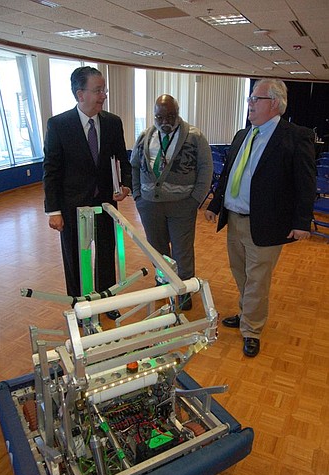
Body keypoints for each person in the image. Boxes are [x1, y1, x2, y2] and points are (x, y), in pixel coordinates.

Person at [205, 78, 316, 357]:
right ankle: (247, 314)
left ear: (275, 104)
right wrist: (216, 206)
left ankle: (252, 329)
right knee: (240, 273)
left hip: (267, 222)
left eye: (256, 99)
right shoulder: (243, 134)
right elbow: (229, 173)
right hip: (235, 219)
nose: (250, 103)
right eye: (250, 99)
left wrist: (301, 222)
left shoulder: (295, 136)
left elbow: (306, 183)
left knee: (257, 279)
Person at [43, 66, 132, 320]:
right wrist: (54, 211)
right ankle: (80, 307)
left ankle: (106, 302)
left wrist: (125, 185)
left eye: (104, 89)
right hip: (71, 208)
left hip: (105, 205)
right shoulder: (59, 125)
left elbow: (122, 161)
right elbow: (51, 170)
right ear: (80, 94)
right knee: (74, 259)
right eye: (97, 90)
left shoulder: (113, 123)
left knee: (106, 253)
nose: (103, 95)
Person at [131, 94, 213, 310]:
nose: (165, 121)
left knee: (182, 249)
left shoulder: (195, 137)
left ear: (178, 113)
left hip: (182, 204)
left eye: (171, 116)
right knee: (157, 249)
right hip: (149, 205)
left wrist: (195, 200)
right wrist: (138, 196)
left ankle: (184, 291)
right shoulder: (144, 136)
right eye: (160, 116)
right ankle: (163, 284)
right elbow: (133, 166)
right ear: (154, 115)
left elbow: (206, 169)